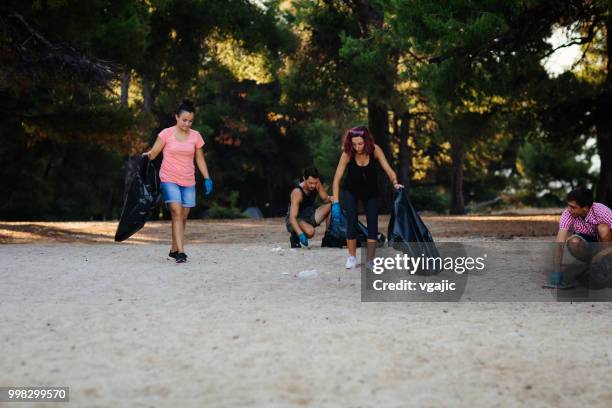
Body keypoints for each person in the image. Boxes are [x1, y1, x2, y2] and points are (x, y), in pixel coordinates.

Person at [143, 99, 213, 263]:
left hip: (188, 181)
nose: (187, 124)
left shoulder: (196, 136)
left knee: (183, 217)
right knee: (176, 211)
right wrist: (143, 159)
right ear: (176, 117)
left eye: (190, 121)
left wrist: (207, 178)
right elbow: (153, 154)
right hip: (169, 178)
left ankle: (174, 250)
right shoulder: (166, 134)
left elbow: (200, 159)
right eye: (184, 120)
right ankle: (181, 253)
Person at [331, 126, 403, 269]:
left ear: (367, 141)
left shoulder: (375, 150)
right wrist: (336, 203)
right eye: (354, 144)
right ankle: (351, 257)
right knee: (351, 221)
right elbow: (336, 179)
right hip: (351, 190)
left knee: (372, 224)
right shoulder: (347, 154)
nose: (357, 147)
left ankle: (370, 260)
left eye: (360, 144)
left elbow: (388, 170)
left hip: (370, 191)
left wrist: (395, 183)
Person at [551, 187, 612, 285]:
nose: (569, 210)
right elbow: (560, 241)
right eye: (568, 206)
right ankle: (592, 266)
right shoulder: (567, 214)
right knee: (573, 242)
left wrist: (601, 254)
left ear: (586, 208)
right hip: (589, 242)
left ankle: (605, 264)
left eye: (573, 207)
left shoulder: (602, 211)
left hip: (607, 246)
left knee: (603, 229)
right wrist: (556, 271)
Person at [286, 167, 333, 248]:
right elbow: (292, 217)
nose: (313, 186)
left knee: (331, 206)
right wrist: (300, 234)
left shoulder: (317, 183)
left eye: (315, 182)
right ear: (304, 179)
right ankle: (295, 236)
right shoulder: (297, 192)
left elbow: (326, 199)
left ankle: (328, 238)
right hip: (295, 220)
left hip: (309, 215)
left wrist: (337, 200)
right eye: (310, 183)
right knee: (310, 232)